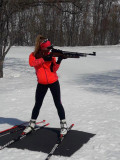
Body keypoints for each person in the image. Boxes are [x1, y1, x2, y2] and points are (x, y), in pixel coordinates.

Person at [23, 35, 67, 135]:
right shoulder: (34, 55)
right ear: (42, 47)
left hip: (53, 82)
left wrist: (59, 61)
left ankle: (63, 124)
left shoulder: (51, 55)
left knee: (58, 103)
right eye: (48, 47)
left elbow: (54, 70)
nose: (49, 49)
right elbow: (32, 63)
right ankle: (31, 124)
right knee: (37, 104)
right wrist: (43, 59)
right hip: (41, 84)